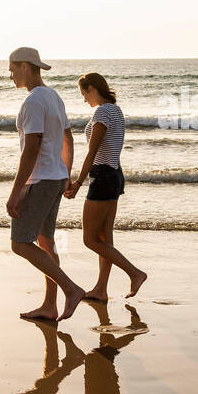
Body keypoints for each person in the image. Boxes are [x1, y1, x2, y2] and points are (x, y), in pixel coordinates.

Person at [6, 47, 86, 322]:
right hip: (54, 178)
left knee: (20, 243)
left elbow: (31, 149)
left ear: (26, 66)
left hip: (40, 181)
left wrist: (15, 192)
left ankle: (71, 289)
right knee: (46, 242)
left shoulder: (33, 102)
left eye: (13, 68)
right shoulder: (53, 96)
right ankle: (49, 306)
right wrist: (66, 172)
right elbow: (68, 138)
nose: (11, 74)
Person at [64, 72, 147, 299]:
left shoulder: (102, 112)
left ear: (92, 89)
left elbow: (92, 152)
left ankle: (134, 273)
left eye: (83, 93)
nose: (84, 99)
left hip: (102, 176)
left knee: (90, 239)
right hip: (115, 174)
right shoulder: (116, 110)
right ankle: (101, 289)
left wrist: (78, 182)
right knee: (104, 238)